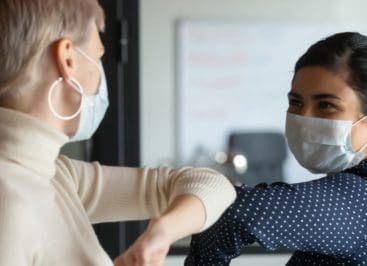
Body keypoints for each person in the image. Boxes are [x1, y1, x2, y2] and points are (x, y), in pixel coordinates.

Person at [0, 0, 237, 265]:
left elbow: (213, 185)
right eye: (98, 56)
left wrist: (161, 231)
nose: (101, 78)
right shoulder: (8, 200)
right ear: (67, 59)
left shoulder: (56, 175)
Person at [185, 32, 367, 266]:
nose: (304, 119)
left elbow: (232, 213)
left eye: (326, 105)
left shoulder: (356, 201)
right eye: (296, 102)